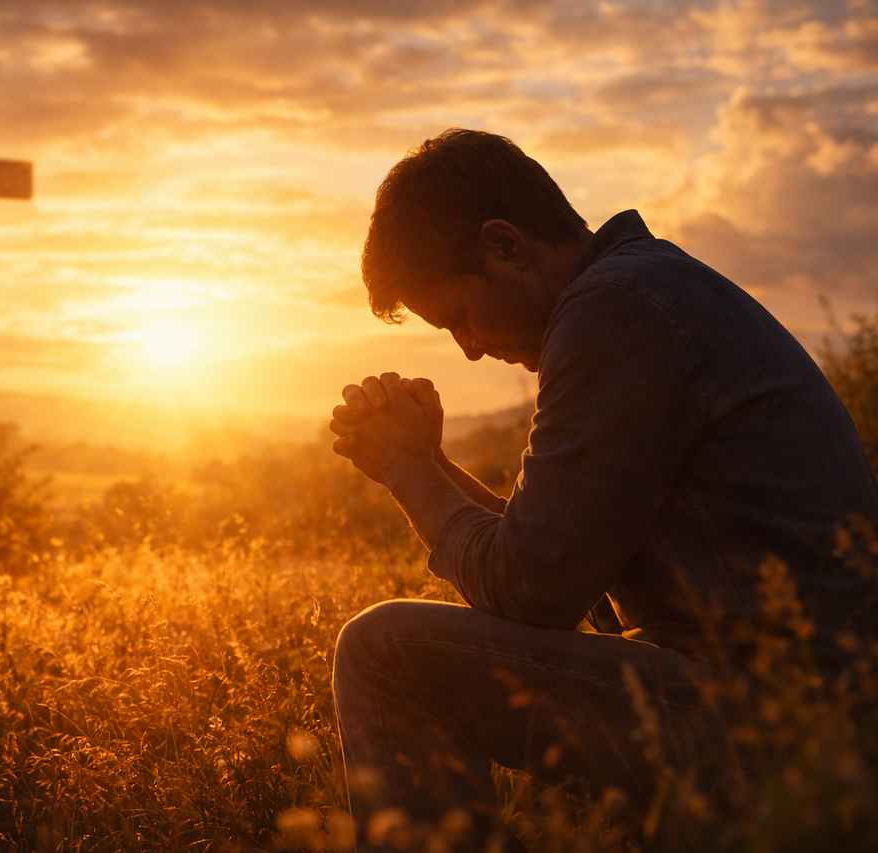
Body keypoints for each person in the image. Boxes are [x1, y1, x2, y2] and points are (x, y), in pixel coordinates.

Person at [328, 128, 878, 851]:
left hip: (793, 723)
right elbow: (564, 556)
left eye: (458, 314)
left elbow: (533, 589)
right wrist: (426, 464)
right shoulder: (643, 290)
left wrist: (406, 473)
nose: (466, 346)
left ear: (504, 246)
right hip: (816, 707)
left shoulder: (615, 313)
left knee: (381, 651)